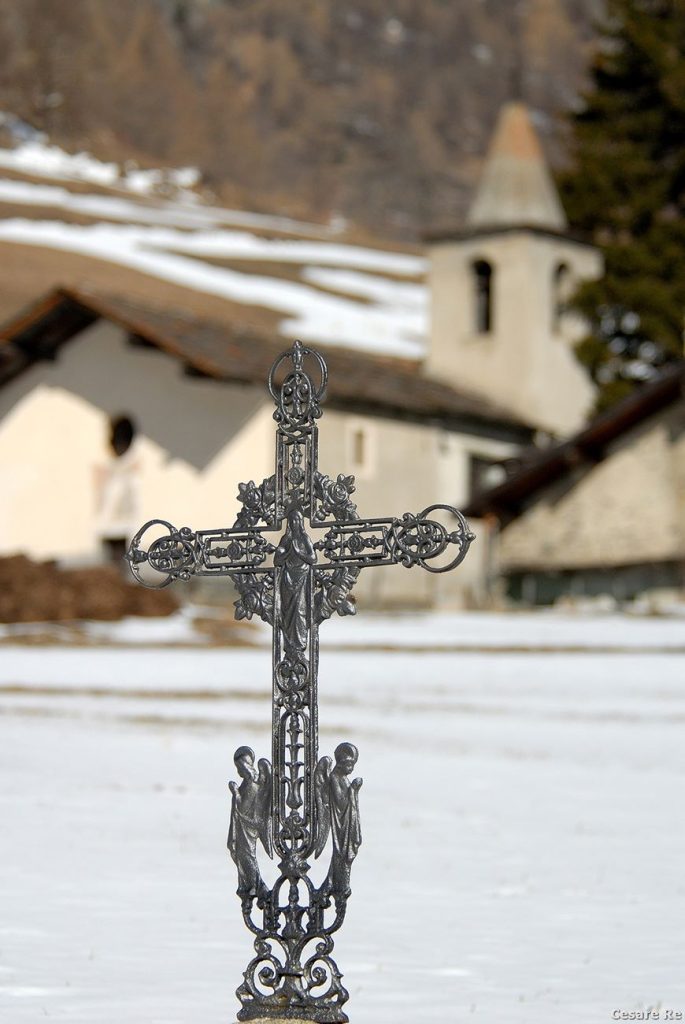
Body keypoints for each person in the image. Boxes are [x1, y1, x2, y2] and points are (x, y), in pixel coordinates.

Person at [314, 742, 362, 899]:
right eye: (349, 764)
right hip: (341, 823)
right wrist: (353, 791)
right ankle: (336, 885)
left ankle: (335, 884)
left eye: (353, 765)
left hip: (346, 821)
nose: (351, 768)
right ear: (341, 762)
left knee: (342, 855)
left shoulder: (342, 777)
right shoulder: (335, 777)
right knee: (340, 854)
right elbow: (340, 801)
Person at [227, 746, 272, 898]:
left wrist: (236, 794)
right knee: (242, 856)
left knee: (247, 856)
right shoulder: (246, 783)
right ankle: (248, 884)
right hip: (242, 828)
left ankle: (256, 885)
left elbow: (243, 808)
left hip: (248, 829)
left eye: (239, 767)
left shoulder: (252, 785)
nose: (238, 772)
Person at [274, 506, 316, 658]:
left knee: (300, 611)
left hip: (302, 579)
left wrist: (299, 552)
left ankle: (299, 645)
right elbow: (277, 561)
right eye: (292, 520)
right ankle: (290, 646)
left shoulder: (304, 539)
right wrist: (283, 554)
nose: (295, 522)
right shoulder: (286, 539)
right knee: (287, 613)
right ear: (289, 523)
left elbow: (313, 559)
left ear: (301, 522)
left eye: (298, 519)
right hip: (287, 580)